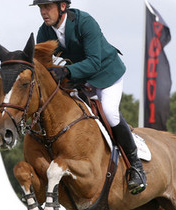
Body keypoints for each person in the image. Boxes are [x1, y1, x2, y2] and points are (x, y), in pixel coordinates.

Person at [33, 0, 146, 195]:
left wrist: (66, 71)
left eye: (47, 6)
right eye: (41, 7)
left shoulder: (85, 22)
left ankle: (136, 167)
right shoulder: (44, 32)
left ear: (62, 6)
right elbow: (43, 67)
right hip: (78, 80)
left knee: (110, 114)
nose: (43, 12)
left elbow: (94, 62)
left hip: (106, 74)